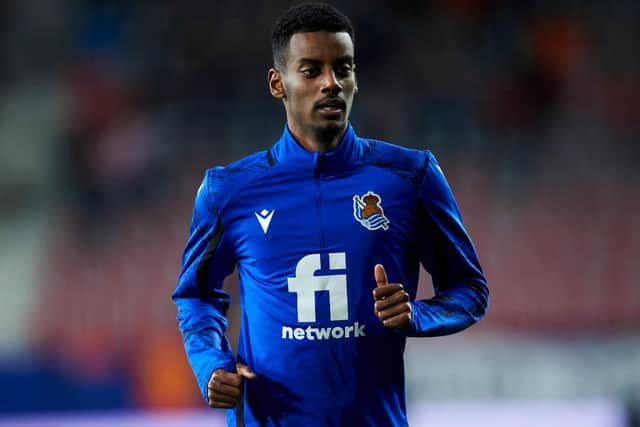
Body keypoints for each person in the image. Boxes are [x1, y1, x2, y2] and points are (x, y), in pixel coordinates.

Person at [172, 3, 489, 426]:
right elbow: (196, 294)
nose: (331, 84)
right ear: (277, 83)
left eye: (343, 68)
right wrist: (212, 363)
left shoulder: (410, 177)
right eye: (311, 70)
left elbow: (469, 289)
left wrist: (417, 314)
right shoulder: (228, 191)